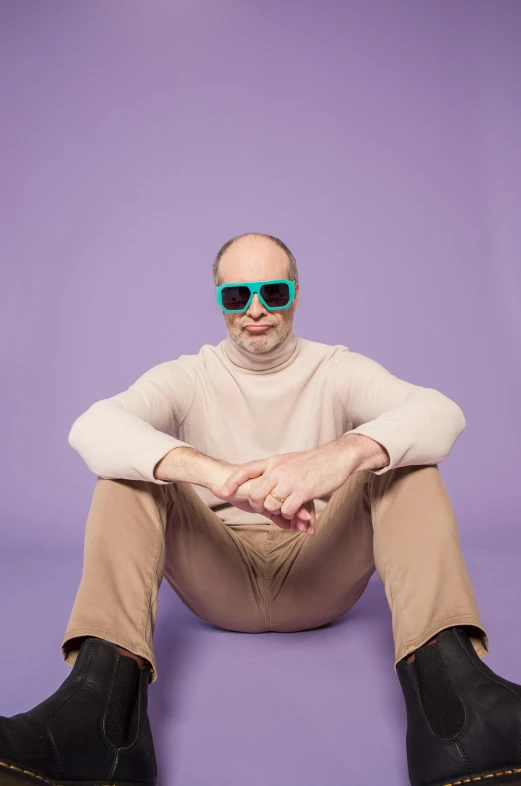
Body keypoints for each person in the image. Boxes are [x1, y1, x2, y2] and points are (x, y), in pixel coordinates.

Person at [1, 233, 520, 786]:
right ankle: (98, 721)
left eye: (272, 291)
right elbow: (93, 427)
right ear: (218, 299)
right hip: (217, 576)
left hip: (319, 568)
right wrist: (218, 475)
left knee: (405, 462)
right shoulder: (188, 376)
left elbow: (441, 413)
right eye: (237, 296)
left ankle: (458, 713)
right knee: (129, 472)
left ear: (295, 294)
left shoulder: (337, 369)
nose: (255, 309)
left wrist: (336, 457)